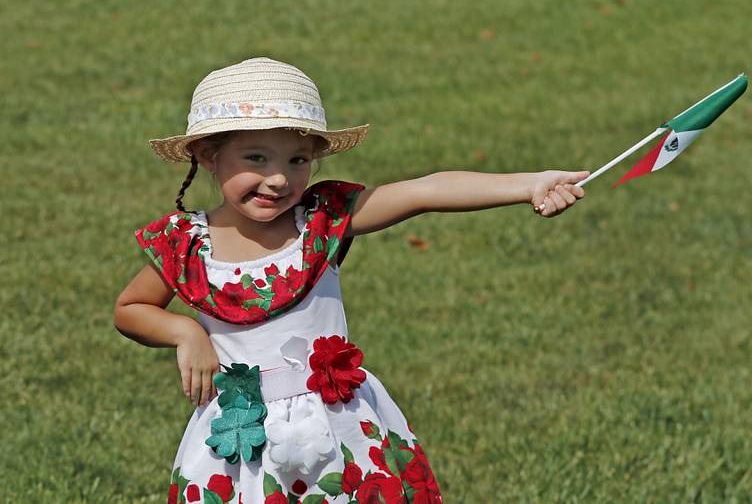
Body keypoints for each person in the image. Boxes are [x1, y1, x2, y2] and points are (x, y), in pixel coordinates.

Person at [113, 57, 587, 504]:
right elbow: (131, 308)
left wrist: (528, 184)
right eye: (256, 157)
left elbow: (423, 191)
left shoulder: (322, 221)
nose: (278, 179)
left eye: (297, 161)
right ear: (208, 155)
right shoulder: (187, 244)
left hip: (341, 427)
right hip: (240, 444)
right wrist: (185, 331)